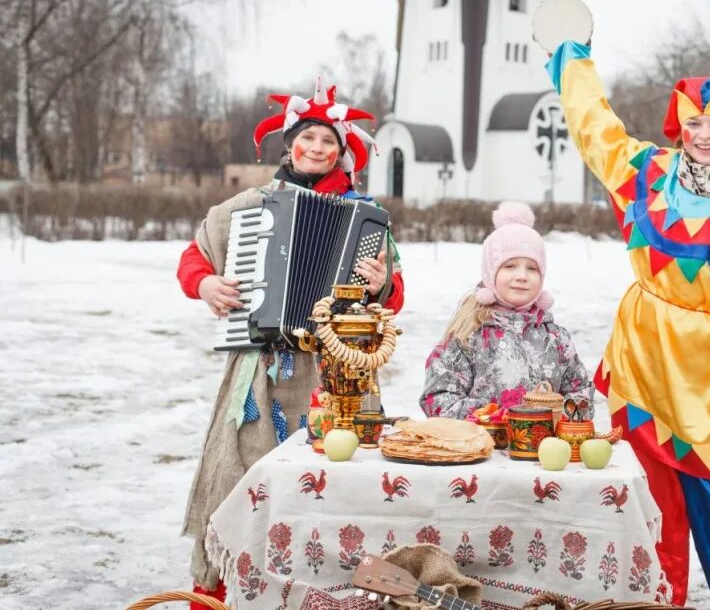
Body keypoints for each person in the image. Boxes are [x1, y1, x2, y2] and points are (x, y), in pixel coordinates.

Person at [545, 35, 710, 609]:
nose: (705, 135)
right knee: (645, 523)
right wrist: (572, 59)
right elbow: (594, 127)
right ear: (680, 128)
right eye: (695, 123)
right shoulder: (646, 173)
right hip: (639, 376)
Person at [175, 79, 405, 606]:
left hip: (336, 375)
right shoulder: (249, 206)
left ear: (342, 153)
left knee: (334, 483)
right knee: (241, 481)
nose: (317, 148)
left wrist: (381, 284)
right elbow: (195, 258)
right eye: (308, 138)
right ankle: (222, 594)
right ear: (290, 145)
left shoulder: (364, 216)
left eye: (328, 141)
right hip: (260, 372)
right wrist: (205, 285)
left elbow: (394, 296)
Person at [420, 201, 594, 421]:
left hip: (545, 443)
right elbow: (438, 399)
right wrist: (498, 418)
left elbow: (580, 395)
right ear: (490, 273)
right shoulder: (468, 335)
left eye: (532, 268)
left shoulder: (556, 338)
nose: (522, 276)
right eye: (509, 266)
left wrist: (558, 416)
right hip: (483, 442)